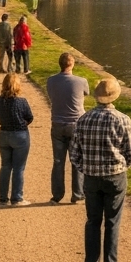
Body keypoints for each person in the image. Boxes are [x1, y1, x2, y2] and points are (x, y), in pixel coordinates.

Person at [71, 78, 131, 262]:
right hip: (115, 176)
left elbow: (74, 153)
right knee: (112, 222)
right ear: (114, 96)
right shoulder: (122, 119)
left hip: (91, 177)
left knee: (92, 221)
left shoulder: (83, 119)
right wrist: (122, 166)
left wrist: (86, 168)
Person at [46, 53, 89, 204]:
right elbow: (86, 94)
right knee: (76, 160)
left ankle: (57, 195)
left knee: (58, 161)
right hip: (75, 125)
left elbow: (51, 95)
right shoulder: (81, 81)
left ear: (60, 64)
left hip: (57, 124)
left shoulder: (51, 81)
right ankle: (77, 194)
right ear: (72, 65)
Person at [0, 72, 34, 207]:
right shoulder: (21, 101)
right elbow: (30, 117)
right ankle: (17, 197)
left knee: (5, 166)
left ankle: (2, 198)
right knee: (19, 168)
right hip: (19, 135)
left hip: (3, 134)